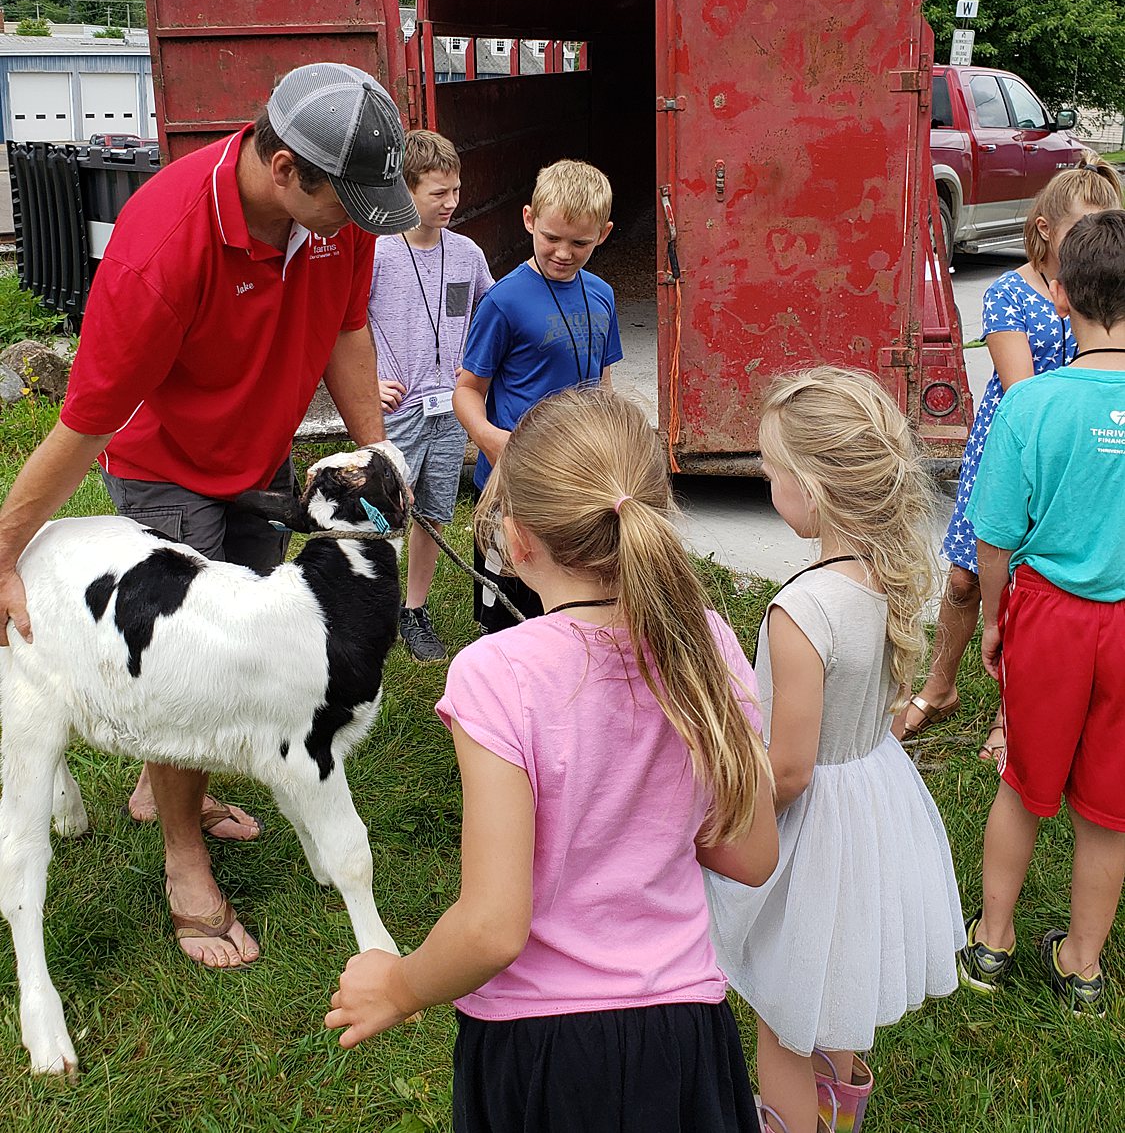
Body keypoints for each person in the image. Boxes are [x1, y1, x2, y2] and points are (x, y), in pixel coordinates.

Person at [0, 61, 418, 969]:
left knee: (248, 644)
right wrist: (1, 554)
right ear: (282, 168)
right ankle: (185, 861)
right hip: (164, 469)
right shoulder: (164, 245)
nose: (357, 219)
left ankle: (165, 787)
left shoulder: (335, 219)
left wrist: (373, 450)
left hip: (255, 459)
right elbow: (85, 425)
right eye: (344, 199)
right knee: (186, 668)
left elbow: (348, 327)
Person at [326, 387, 778, 1132]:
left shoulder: (495, 672)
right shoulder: (707, 638)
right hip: (685, 1035)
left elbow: (494, 928)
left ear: (520, 539)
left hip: (541, 1051)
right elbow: (751, 853)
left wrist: (400, 987)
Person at [706, 367, 964, 1133]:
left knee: (786, 1011)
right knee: (838, 981)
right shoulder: (882, 575)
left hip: (808, 824)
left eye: (770, 469)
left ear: (812, 490)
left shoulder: (800, 609)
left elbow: (787, 767)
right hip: (870, 801)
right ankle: (838, 1113)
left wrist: (724, 814)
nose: (763, 479)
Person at [893, 162, 1122, 760]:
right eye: (1080, 234)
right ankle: (941, 684)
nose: (1090, 249)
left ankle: (1008, 706)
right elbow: (1020, 387)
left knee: (1031, 586)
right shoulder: (1009, 294)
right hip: (1010, 451)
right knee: (968, 576)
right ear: (1045, 230)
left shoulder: (1103, 300)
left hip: (1066, 458)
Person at [958, 208, 1125, 1014]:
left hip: (1050, 616)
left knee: (1024, 782)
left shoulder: (1030, 408)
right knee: (1111, 806)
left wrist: (993, 623)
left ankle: (991, 943)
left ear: (1059, 293)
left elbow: (993, 536)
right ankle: (1083, 967)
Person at [453, 159, 622, 632]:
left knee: (568, 597)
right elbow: (467, 390)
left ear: (603, 234)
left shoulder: (604, 294)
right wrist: (490, 439)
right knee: (506, 605)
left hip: (576, 475)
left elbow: (603, 381)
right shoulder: (503, 301)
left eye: (580, 242)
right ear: (529, 220)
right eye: (552, 237)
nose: (564, 252)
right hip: (511, 483)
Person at [368, 130, 493, 661]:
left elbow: (491, 313)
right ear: (406, 190)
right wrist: (368, 382)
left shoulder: (466, 254)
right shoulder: (376, 253)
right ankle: (368, 602)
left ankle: (412, 609)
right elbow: (340, 325)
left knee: (435, 513)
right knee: (380, 509)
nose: (451, 203)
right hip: (398, 409)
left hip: (449, 410)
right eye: (438, 192)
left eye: (456, 191)